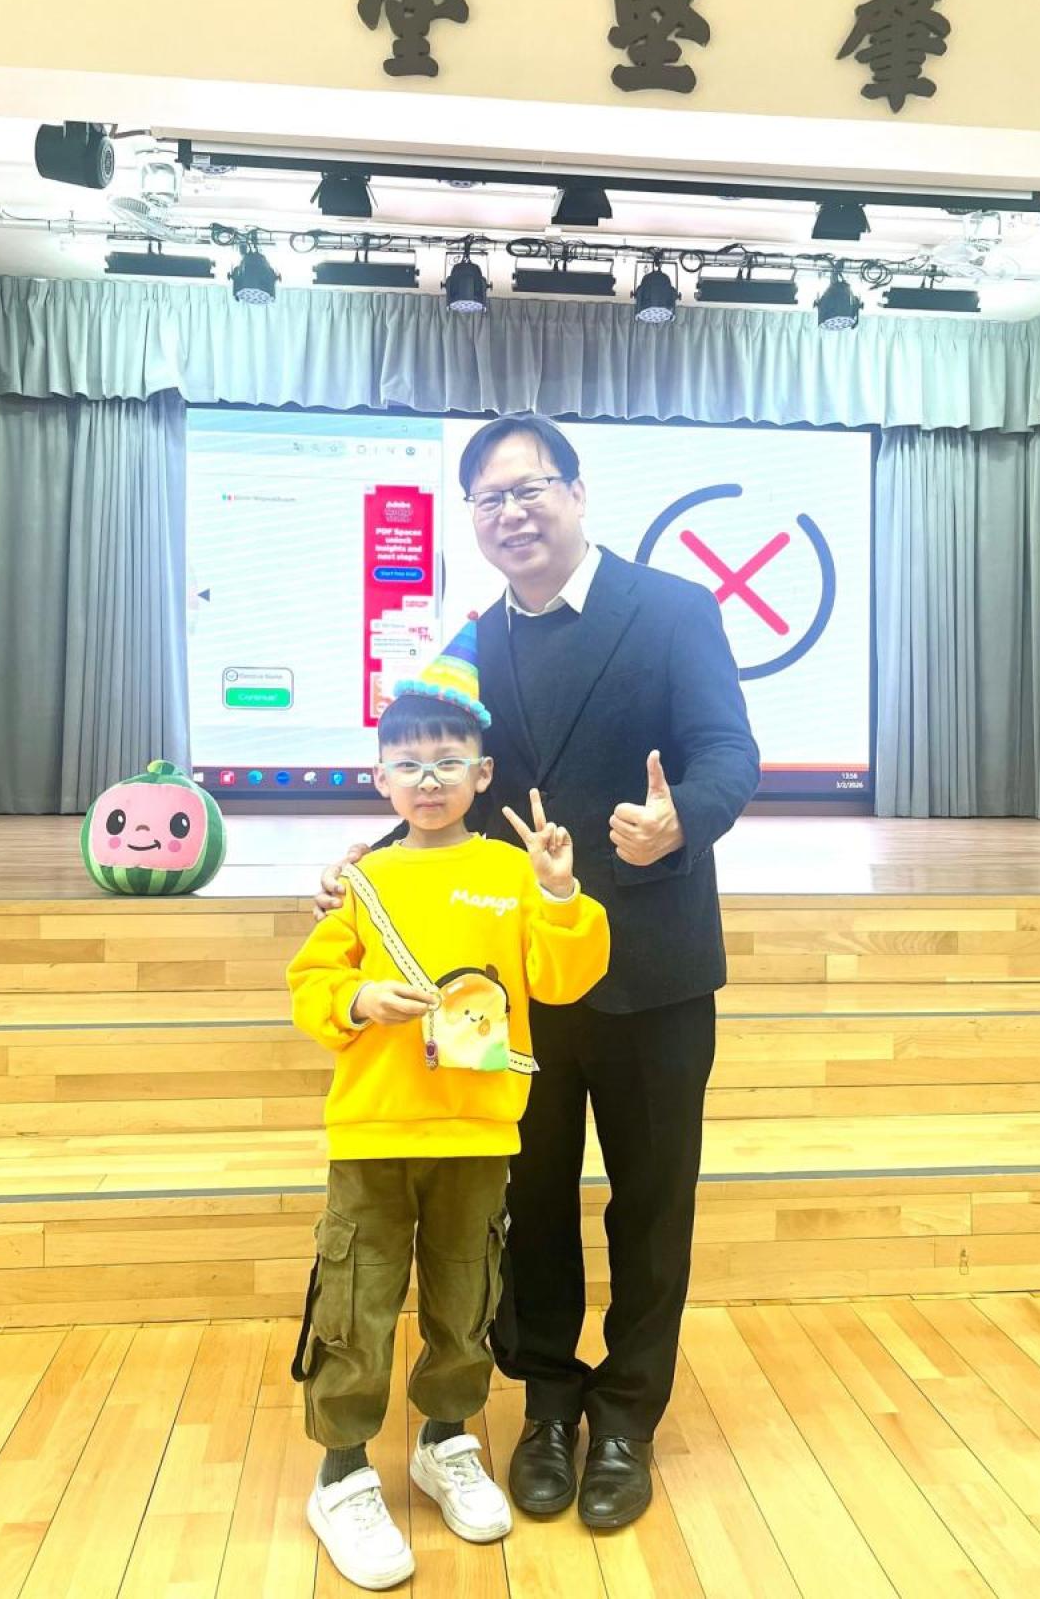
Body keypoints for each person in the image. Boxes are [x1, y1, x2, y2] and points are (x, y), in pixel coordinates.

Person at [317, 413, 760, 1530]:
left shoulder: (673, 609)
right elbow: (443, 778)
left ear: (575, 493)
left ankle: (628, 1417)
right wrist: (365, 870)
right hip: (517, 988)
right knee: (534, 1202)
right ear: (472, 518)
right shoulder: (474, 641)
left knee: (652, 1206)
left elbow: (728, 752)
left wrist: (681, 818)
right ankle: (549, 1406)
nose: (511, 512)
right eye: (489, 499)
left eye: (531, 488)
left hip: (656, 966)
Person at [289, 619, 609, 1590]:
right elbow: (311, 985)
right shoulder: (362, 878)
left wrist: (561, 894)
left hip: (477, 1130)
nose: (427, 779)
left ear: (482, 773)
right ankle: (342, 1470)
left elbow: (561, 980)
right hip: (375, 1127)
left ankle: (444, 1439)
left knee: (465, 1297)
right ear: (379, 777)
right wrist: (356, 999)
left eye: (447, 761)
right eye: (408, 764)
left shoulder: (511, 873)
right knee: (356, 1299)